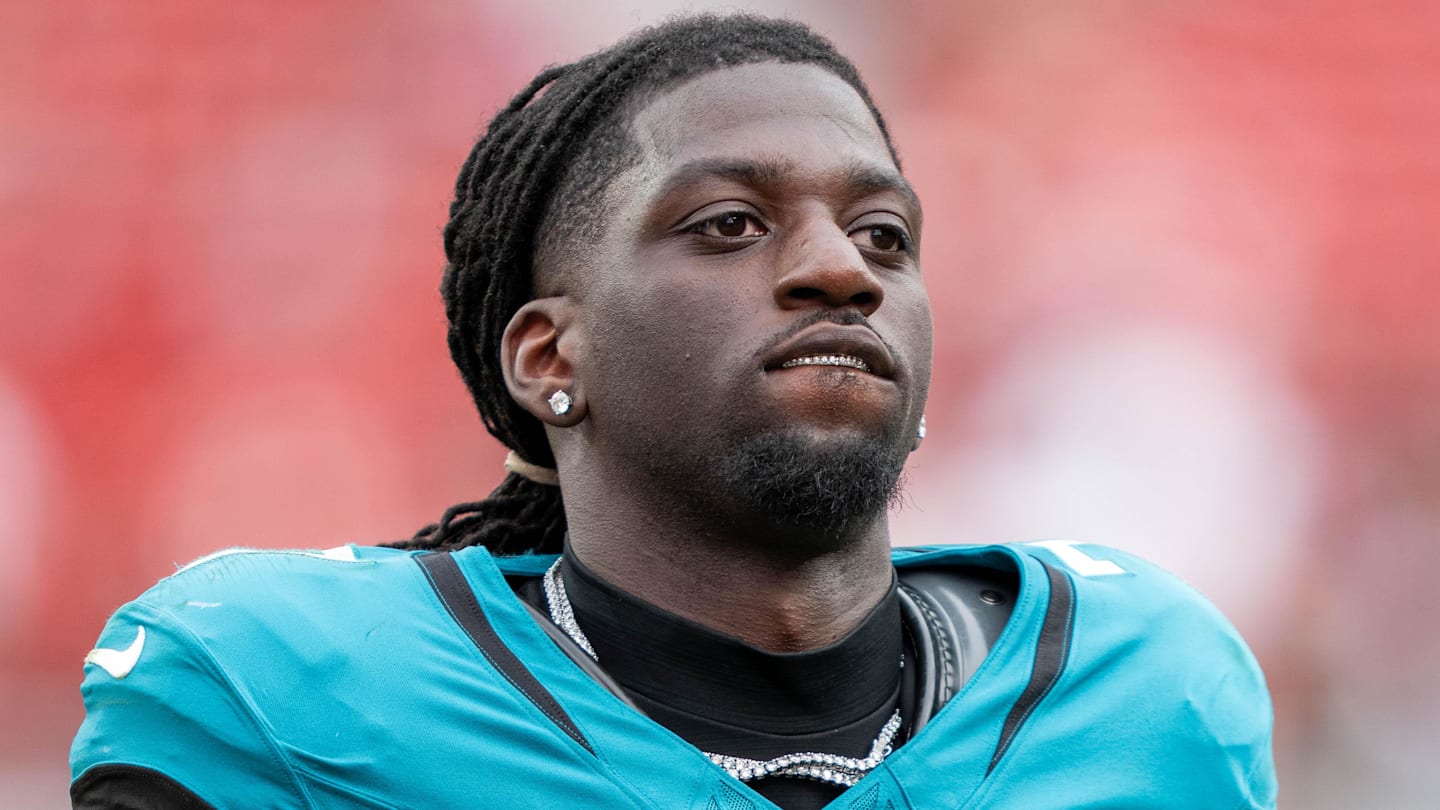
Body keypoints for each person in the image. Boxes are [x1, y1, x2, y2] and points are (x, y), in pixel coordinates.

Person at [70, 14, 1277, 809]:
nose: (841, 272)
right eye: (731, 225)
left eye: (885, 236)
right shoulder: (288, 697)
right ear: (552, 356)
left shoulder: (1145, 693)